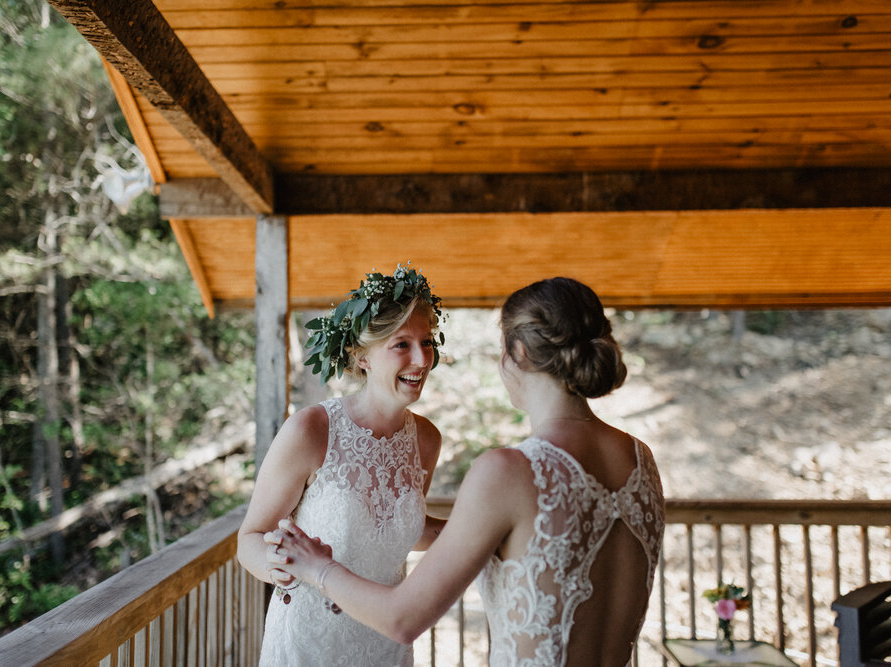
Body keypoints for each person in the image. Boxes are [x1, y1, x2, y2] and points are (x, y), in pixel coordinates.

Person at [268, 276, 665, 667]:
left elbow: (401, 619)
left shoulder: (508, 471)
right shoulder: (640, 459)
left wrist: (318, 568)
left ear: (519, 352)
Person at [236, 263, 446, 666]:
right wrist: (276, 565)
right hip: (311, 641)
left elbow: (395, 529)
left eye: (427, 341)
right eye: (402, 344)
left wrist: (486, 531)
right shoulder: (311, 429)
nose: (422, 359)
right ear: (361, 357)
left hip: (385, 639)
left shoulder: (427, 440)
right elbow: (250, 538)